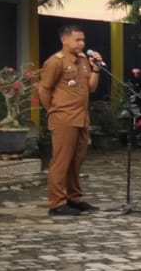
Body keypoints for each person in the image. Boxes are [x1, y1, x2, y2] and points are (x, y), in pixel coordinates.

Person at [38, 24, 103, 217]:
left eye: (83, 40)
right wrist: (53, 111)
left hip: (81, 117)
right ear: (64, 40)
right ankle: (56, 203)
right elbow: (43, 89)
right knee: (61, 161)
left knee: (77, 160)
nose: (81, 43)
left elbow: (91, 87)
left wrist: (96, 69)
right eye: (77, 40)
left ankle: (74, 198)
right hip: (64, 118)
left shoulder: (84, 60)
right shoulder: (55, 61)